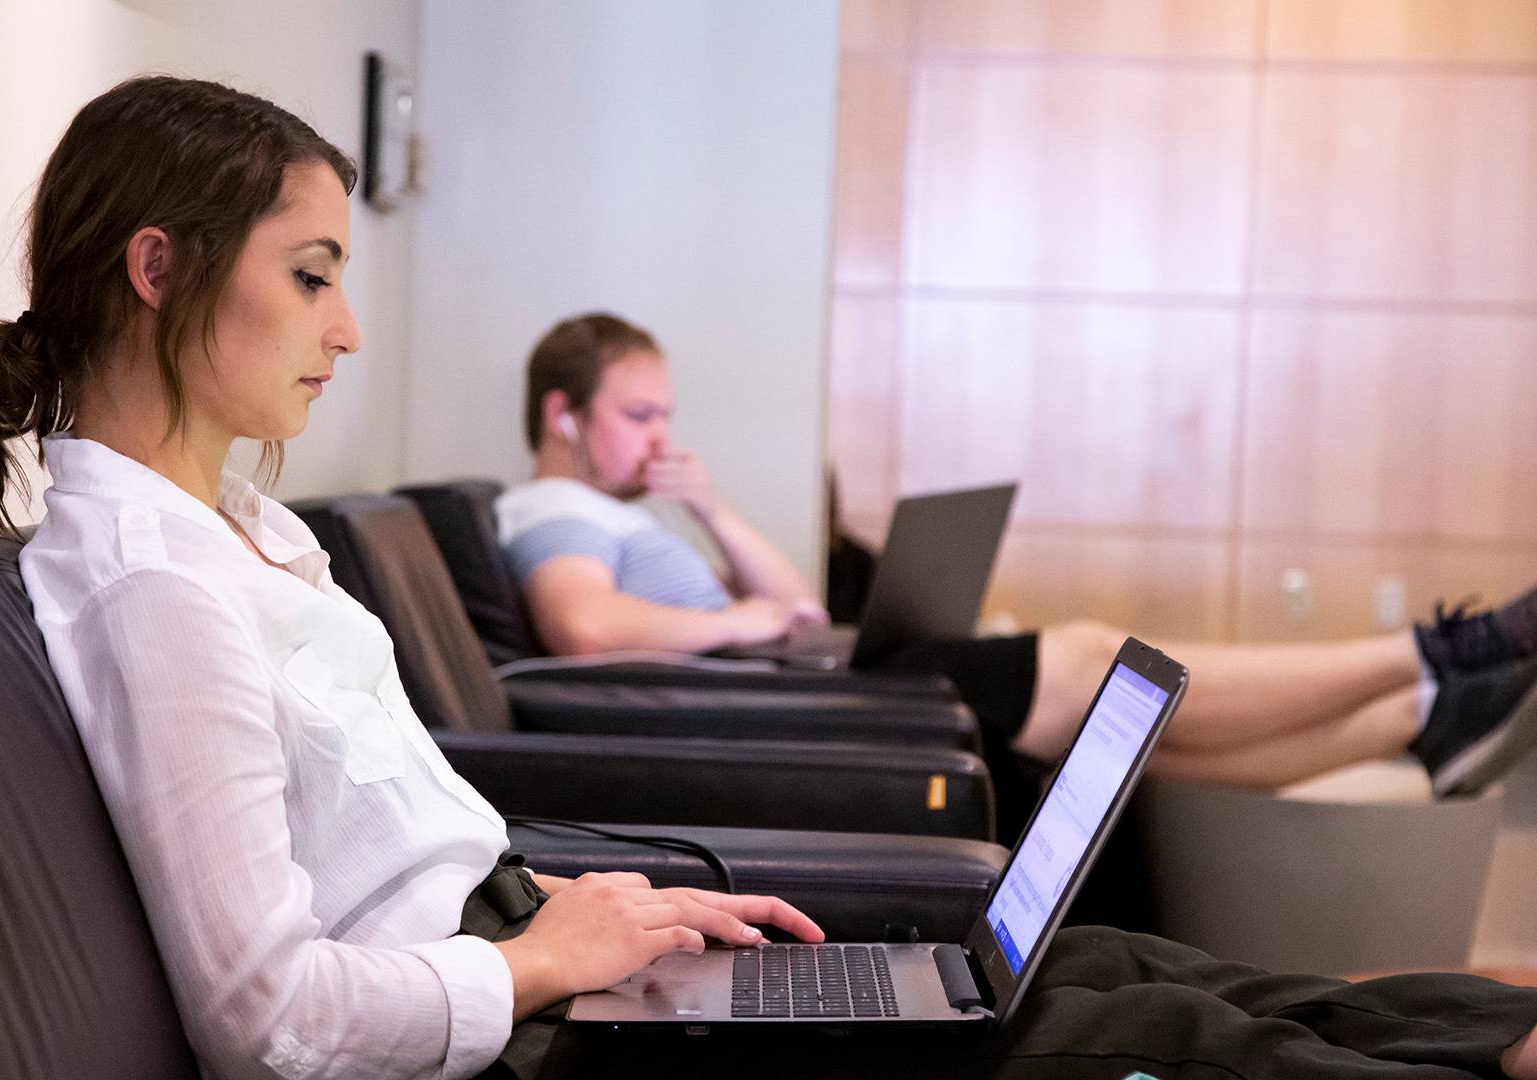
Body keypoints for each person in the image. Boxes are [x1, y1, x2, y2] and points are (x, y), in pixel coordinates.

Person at [0, 77, 1537, 1079]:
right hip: (523, 1032)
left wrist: (605, 908)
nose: (345, 329)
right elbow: (268, 1021)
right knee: (1155, 1031)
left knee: (1121, 965)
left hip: (533, 953)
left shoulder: (243, 530)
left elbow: (402, 845)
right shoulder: (152, 582)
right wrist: (537, 958)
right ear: (157, 267)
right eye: (310, 278)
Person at [500, 312, 1537, 800]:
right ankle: (1441, 652)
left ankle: (1422, 717)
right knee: (1092, 659)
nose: (657, 436)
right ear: (563, 414)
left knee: (1133, 741)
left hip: (815, 693)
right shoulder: (547, 505)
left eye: (666, 415)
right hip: (809, 723)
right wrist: (740, 621)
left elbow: (800, 608)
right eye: (636, 414)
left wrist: (714, 512)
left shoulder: (631, 511)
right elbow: (582, 625)